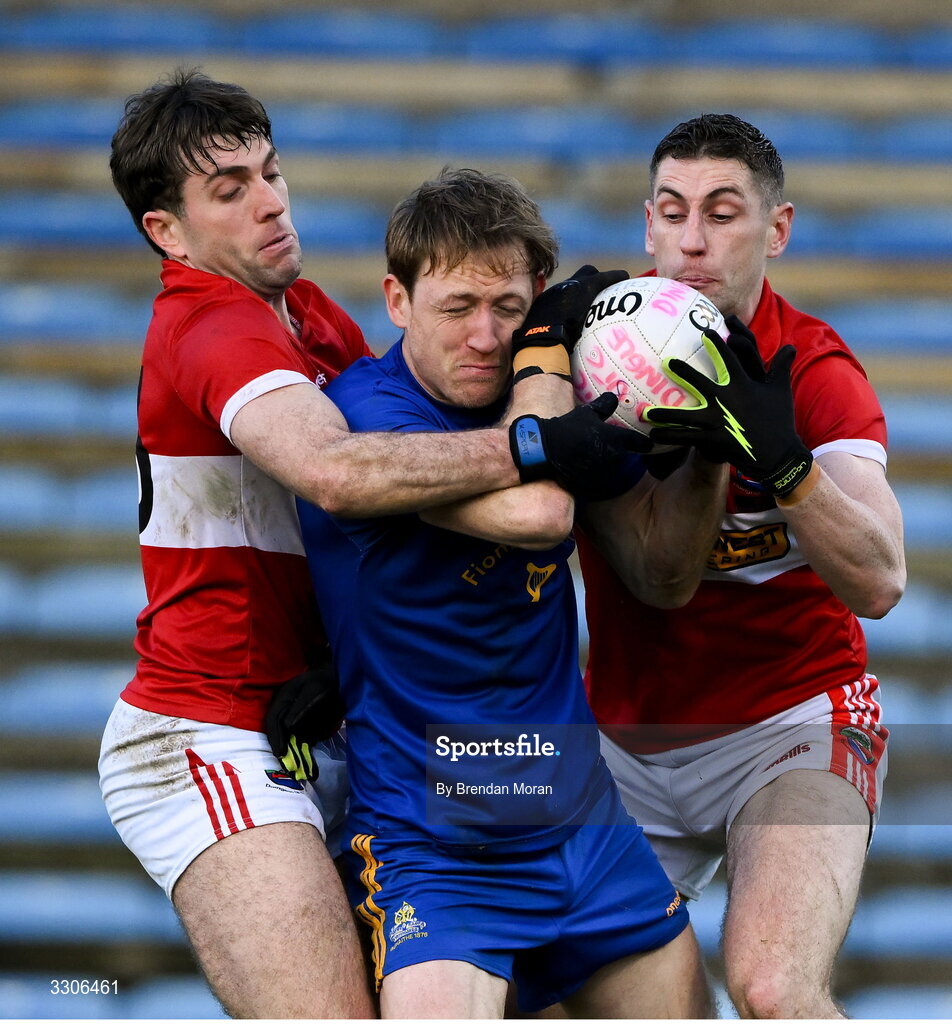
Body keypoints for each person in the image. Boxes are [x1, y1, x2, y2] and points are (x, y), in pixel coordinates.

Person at [96, 69, 649, 1019]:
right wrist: (537, 437)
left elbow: (389, 501)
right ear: (168, 233)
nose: (270, 203)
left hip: (326, 727)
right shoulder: (211, 322)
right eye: (230, 192)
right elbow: (342, 474)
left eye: (270, 173)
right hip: (210, 732)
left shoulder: (306, 312)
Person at [290, 165, 821, 1019]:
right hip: (435, 841)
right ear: (398, 301)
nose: (484, 338)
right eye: (457, 308)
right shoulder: (370, 416)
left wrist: (712, 447)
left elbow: (664, 574)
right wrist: (543, 349)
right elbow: (540, 511)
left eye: (509, 309)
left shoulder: (559, 402)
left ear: (537, 296)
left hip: (582, 826)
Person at [576, 113, 907, 1019]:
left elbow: (881, 580)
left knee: (773, 985)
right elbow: (660, 579)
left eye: (723, 214)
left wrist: (787, 465)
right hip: (627, 738)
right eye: (673, 213)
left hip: (789, 718)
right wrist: (709, 454)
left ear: (778, 228)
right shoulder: (592, 363)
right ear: (646, 224)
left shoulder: (816, 369)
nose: (692, 243)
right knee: (580, 1001)